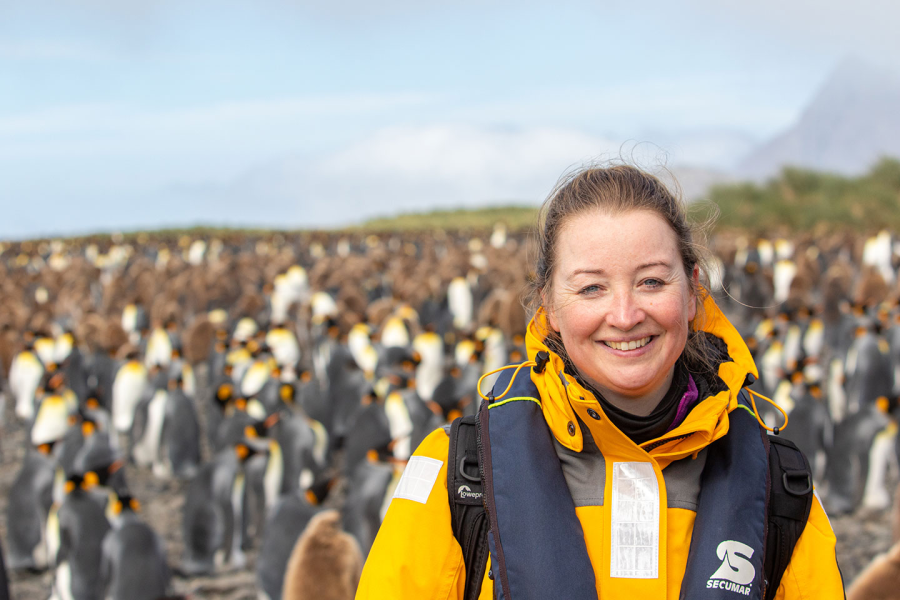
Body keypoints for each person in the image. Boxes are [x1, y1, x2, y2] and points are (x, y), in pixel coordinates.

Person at [355, 165, 844, 599]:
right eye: (591, 287)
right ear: (548, 305)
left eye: (652, 281)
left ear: (693, 292)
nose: (626, 315)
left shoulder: (777, 486)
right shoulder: (460, 474)